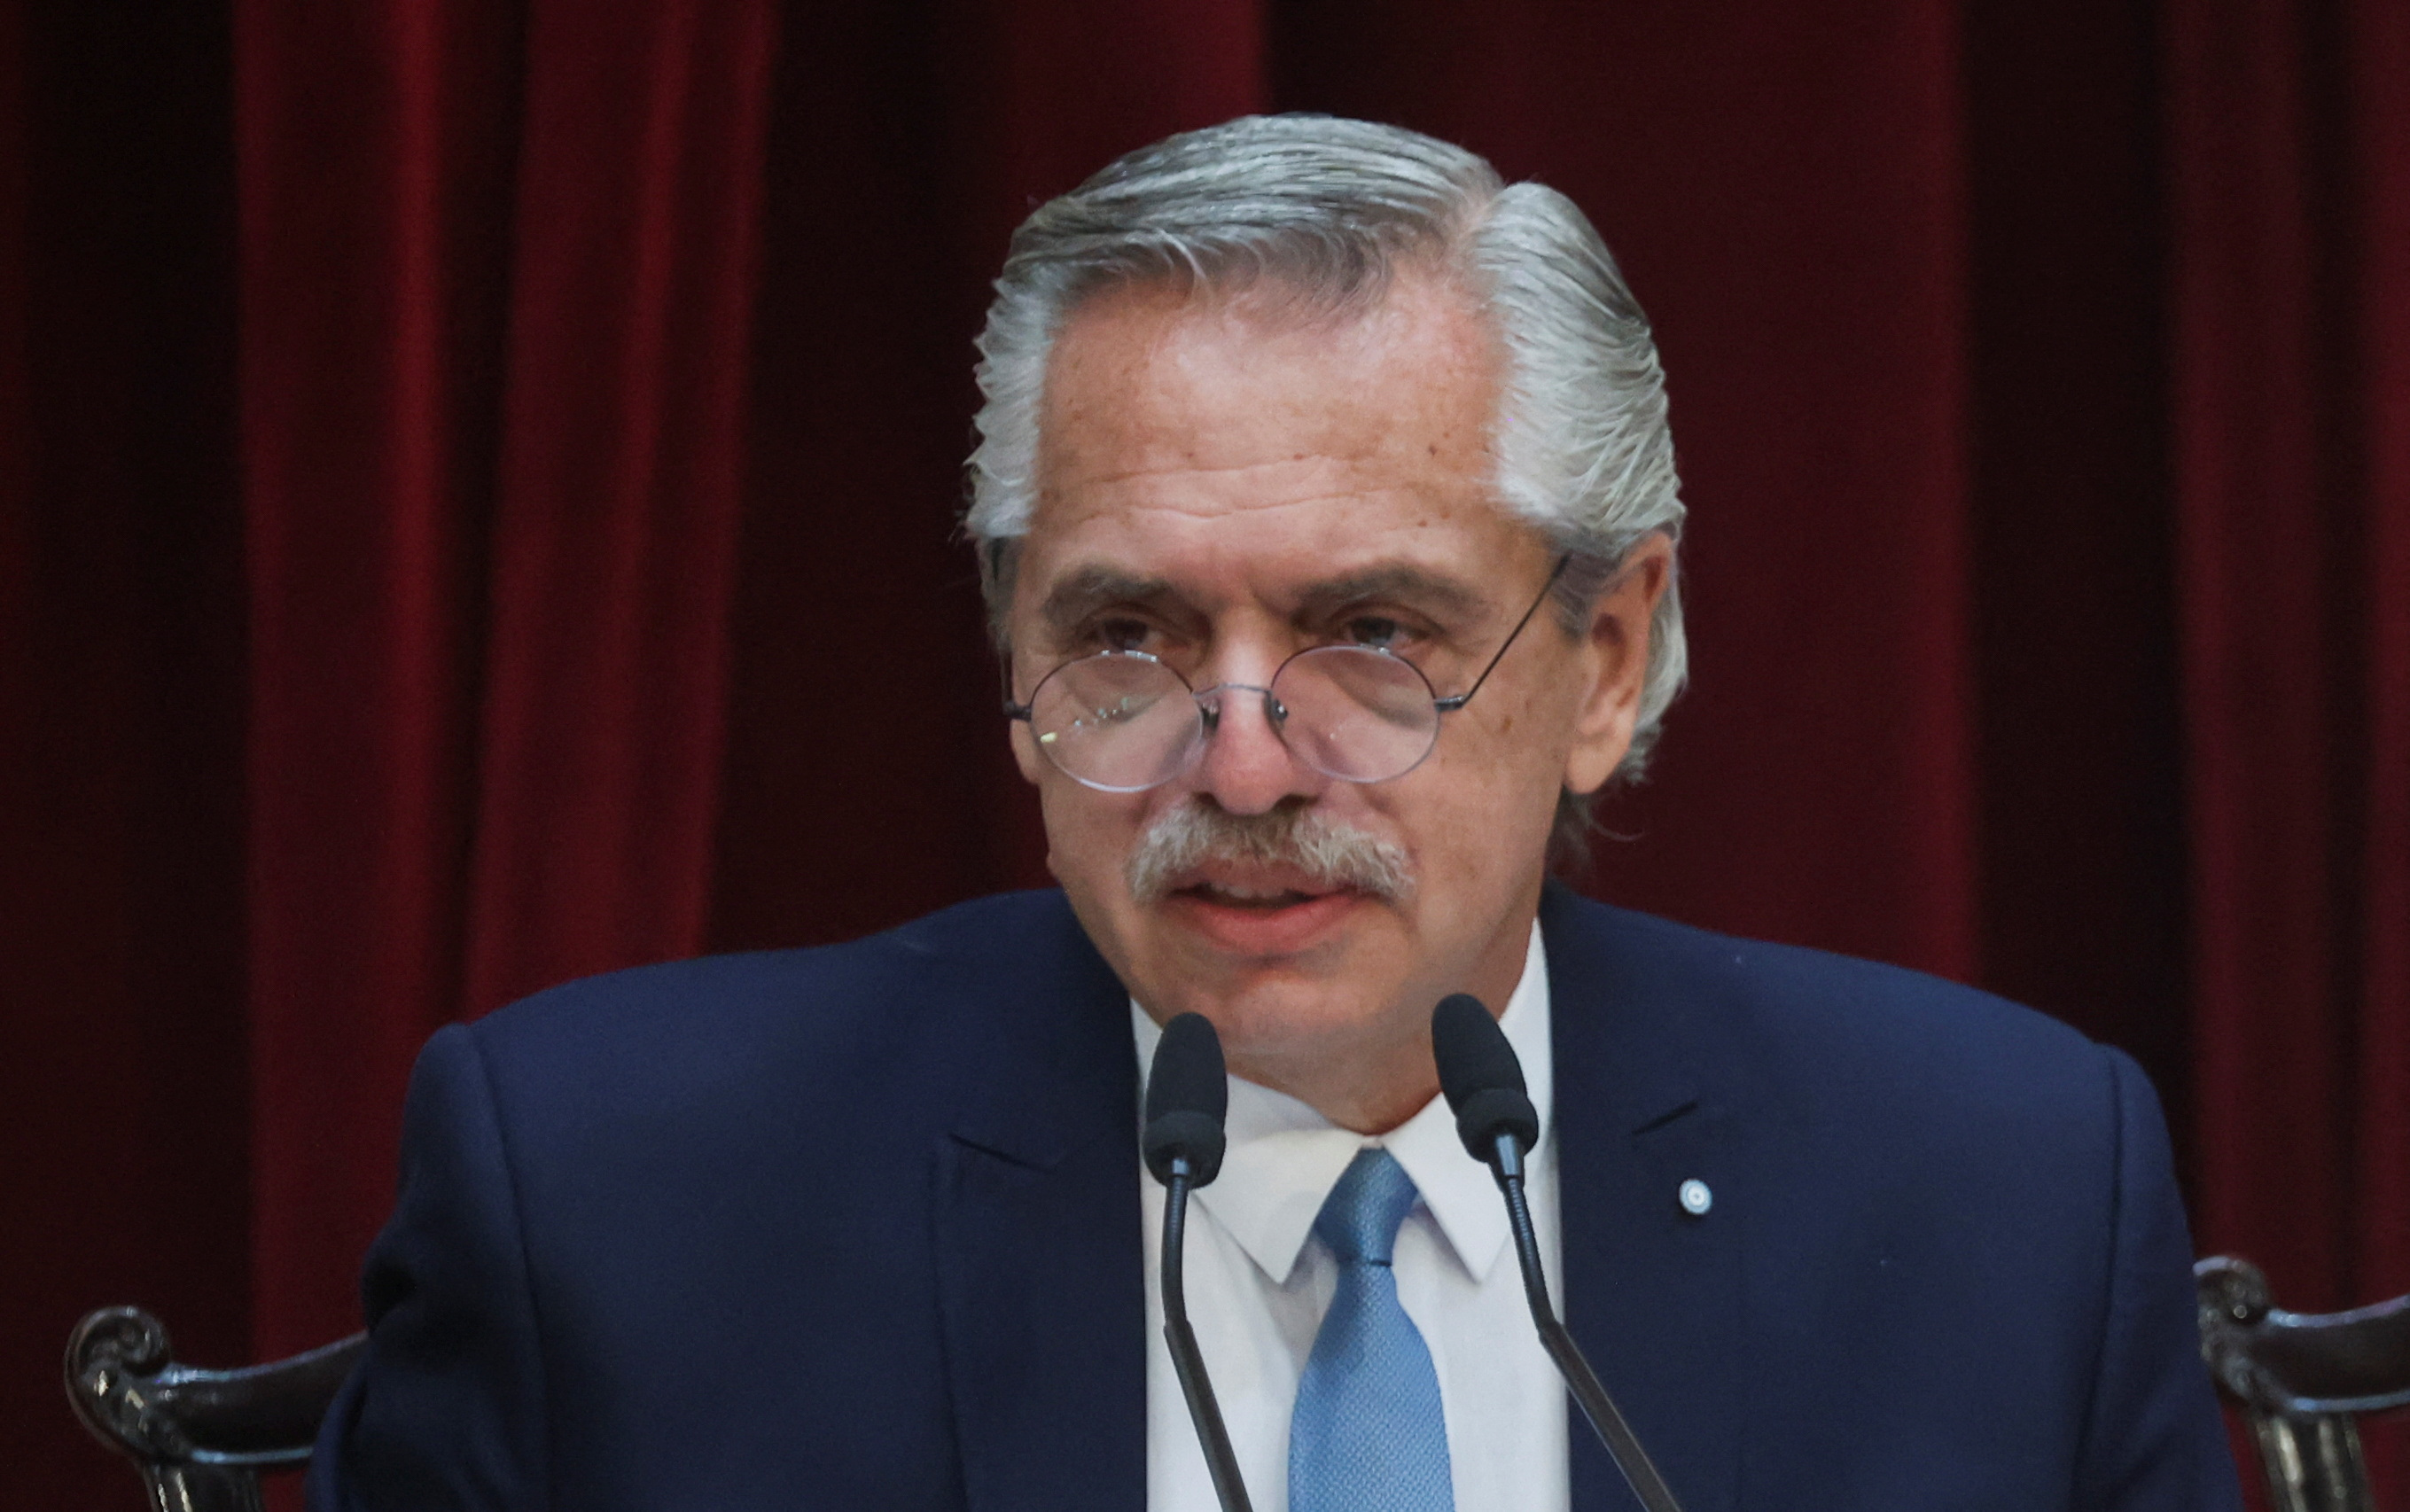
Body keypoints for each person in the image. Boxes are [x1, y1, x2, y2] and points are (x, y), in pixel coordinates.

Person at [308, 115, 2241, 1512]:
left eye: (1370, 632)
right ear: (1009, 648)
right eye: (1126, 637)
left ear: (1601, 658)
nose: (1237, 768)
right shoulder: (608, 1210)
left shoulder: (2004, 1203)